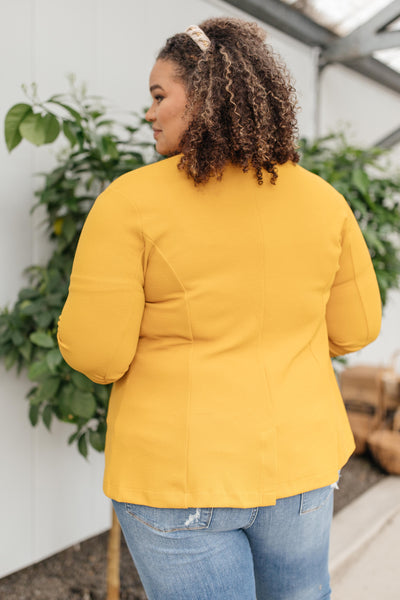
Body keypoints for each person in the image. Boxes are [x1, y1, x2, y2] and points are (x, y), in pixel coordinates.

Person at [57, 17, 382, 600]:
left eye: (159, 96)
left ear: (206, 93)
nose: (149, 113)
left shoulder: (129, 202)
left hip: (176, 477)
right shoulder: (323, 201)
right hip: (301, 467)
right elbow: (355, 330)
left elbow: (99, 354)